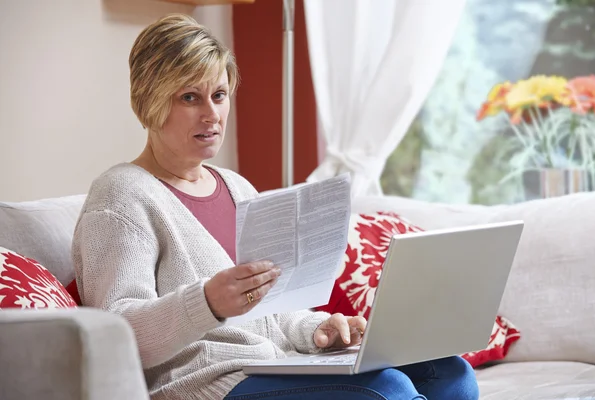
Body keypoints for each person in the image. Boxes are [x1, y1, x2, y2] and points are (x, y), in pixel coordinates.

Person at [72, 14, 479, 400]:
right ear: (149, 101)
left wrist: (321, 329)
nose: (211, 114)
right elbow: (114, 333)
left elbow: (275, 311)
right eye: (189, 97)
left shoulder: (236, 187)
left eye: (219, 95)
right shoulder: (121, 195)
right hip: (207, 383)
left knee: (450, 372)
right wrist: (207, 303)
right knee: (386, 388)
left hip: (272, 364)